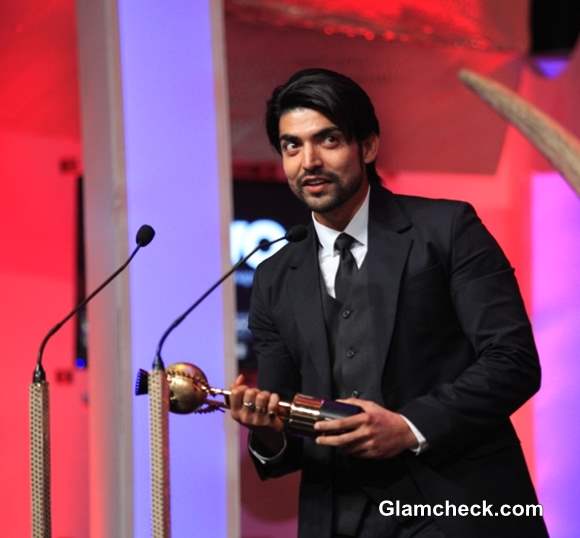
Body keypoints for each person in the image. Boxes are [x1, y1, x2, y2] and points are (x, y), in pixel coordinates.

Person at [229, 68, 548, 538]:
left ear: (369, 146)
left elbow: (514, 362)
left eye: (329, 140)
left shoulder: (447, 229)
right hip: (340, 520)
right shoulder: (275, 275)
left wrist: (409, 425)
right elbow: (287, 425)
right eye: (292, 146)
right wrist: (267, 429)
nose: (308, 161)